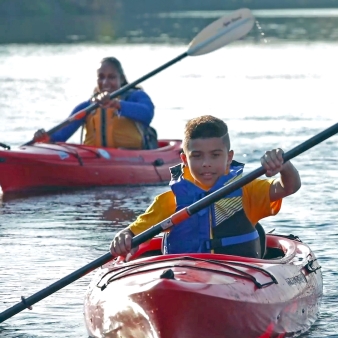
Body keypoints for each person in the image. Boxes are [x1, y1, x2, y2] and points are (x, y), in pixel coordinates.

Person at [109, 115, 301, 258]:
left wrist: (284, 165)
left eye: (215, 155)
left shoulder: (247, 191)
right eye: (197, 156)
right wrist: (124, 236)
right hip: (184, 278)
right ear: (184, 159)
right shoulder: (168, 202)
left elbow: (289, 187)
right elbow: (133, 233)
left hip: (239, 277)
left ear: (229, 158)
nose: (206, 163)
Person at [33, 57, 158, 149]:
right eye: (101, 77)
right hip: (97, 158)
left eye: (111, 77)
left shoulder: (136, 96)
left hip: (131, 157)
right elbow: (61, 136)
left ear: (122, 79)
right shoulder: (87, 106)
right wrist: (45, 138)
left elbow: (147, 113)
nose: (105, 83)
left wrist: (117, 104)